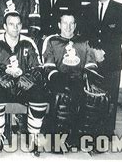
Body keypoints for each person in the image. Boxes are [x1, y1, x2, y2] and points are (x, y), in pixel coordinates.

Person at [0, 12, 47, 157]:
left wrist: (30, 76)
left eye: (18, 24)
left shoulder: (28, 42)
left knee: (39, 94)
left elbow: (38, 67)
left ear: (21, 26)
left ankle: (34, 137)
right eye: (11, 24)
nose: (15, 27)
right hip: (3, 85)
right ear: (4, 26)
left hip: (22, 85)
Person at [42, 11, 98, 152]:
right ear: (59, 25)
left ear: (75, 25)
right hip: (58, 80)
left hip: (78, 81)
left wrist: (88, 80)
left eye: (71, 23)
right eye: (65, 23)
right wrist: (60, 80)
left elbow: (91, 65)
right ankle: (57, 140)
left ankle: (83, 137)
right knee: (61, 95)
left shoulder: (84, 42)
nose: (68, 27)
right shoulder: (52, 41)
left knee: (96, 97)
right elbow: (48, 67)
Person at [82, 0, 122, 138]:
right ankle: (92, 132)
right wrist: (94, 51)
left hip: (112, 60)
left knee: (110, 98)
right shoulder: (87, 9)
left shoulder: (121, 9)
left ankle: (107, 133)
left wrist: (103, 51)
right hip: (92, 59)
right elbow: (85, 33)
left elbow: (119, 36)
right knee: (92, 97)